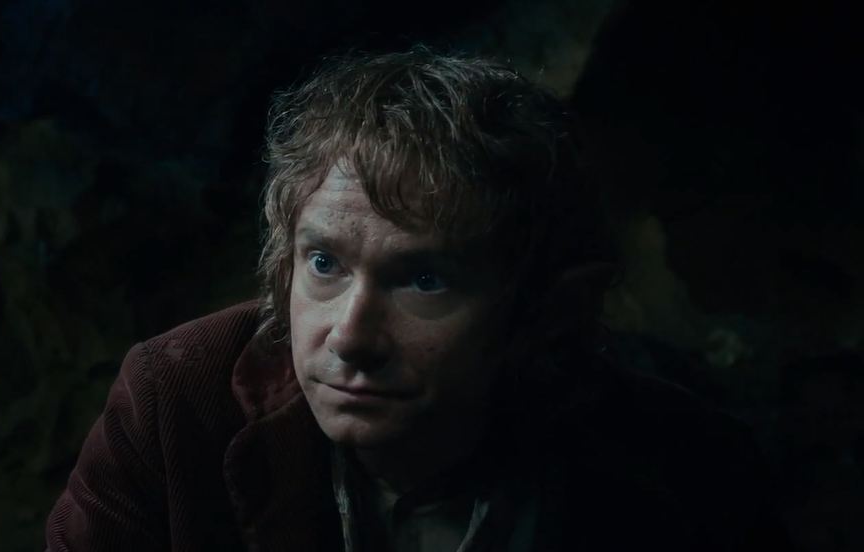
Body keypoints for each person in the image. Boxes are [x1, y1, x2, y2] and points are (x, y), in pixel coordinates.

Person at [43, 48, 789, 551]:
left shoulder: (689, 472)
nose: (350, 336)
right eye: (325, 263)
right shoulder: (176, 402)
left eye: (424, 279)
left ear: (544, 309)